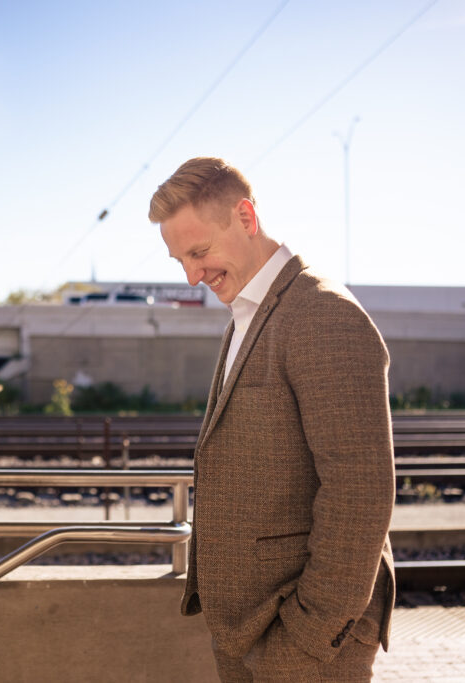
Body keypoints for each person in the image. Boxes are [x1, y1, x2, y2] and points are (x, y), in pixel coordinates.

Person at [149, 157, 395, 681]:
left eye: (200, 252)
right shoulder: (248, 313)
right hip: (246, 627)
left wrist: (309, 633)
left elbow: (361, 487)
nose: (193, 275)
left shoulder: (322, 314)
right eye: (180, 261)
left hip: (304, 641)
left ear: (244, 217)